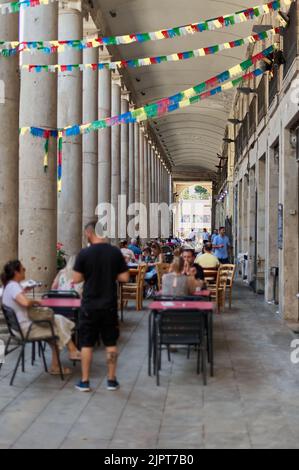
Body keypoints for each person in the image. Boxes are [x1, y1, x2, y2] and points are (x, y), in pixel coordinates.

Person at [73, 221, 130, 393]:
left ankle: (85, 381)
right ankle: (111, 380)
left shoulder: (84, 254)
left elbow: (76, 279)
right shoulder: (115, 253)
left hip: (89, 304)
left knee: (87, 343)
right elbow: (125, 278)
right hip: (109, 304)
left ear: (89, 233)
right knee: (110, 343)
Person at [1, 260, 80, 375]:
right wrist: (37, 301)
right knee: (58, 327)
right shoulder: (13, 286)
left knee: (57, 320)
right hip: (27, 329)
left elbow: (18, 300)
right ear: (16, 272)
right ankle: (71, 352)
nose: (24, 271)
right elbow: (26, 303)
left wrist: (23, 291)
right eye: (23, 269)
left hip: (18, 329)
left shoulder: (9, 286)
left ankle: (65, 357)